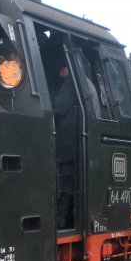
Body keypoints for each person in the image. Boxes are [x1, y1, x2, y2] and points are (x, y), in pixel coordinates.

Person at [51, 63, 78, 229]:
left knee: (67, 185)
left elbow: (59, 107)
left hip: (69, 145)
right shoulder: (78, 82)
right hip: (70, 145)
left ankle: (61, 219)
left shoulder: (70, 84)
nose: (61, 75)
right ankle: (64, 218)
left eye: (62, 69)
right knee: (67, 184)